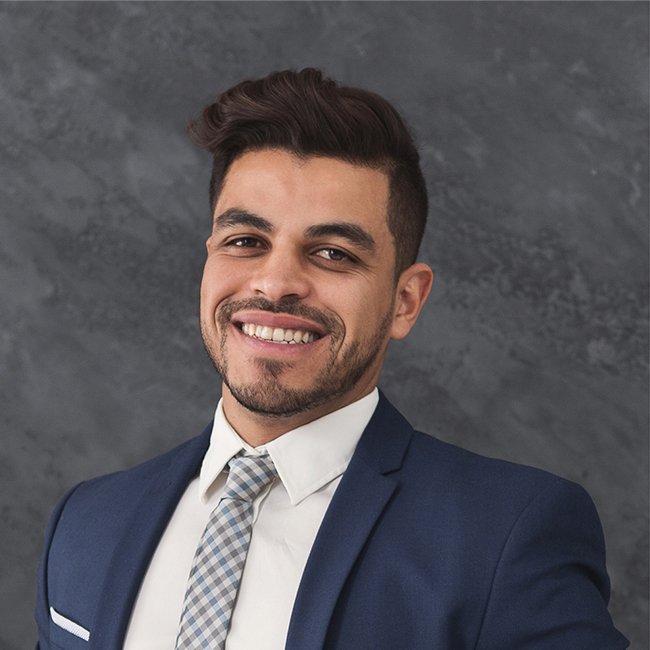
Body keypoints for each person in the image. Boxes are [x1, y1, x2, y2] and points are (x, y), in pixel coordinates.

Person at [35, 68, 628, 650]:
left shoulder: (508, 535)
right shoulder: (88, 521)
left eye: (333, 253)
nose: (275, 284)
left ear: (404, 301)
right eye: (246, 241)